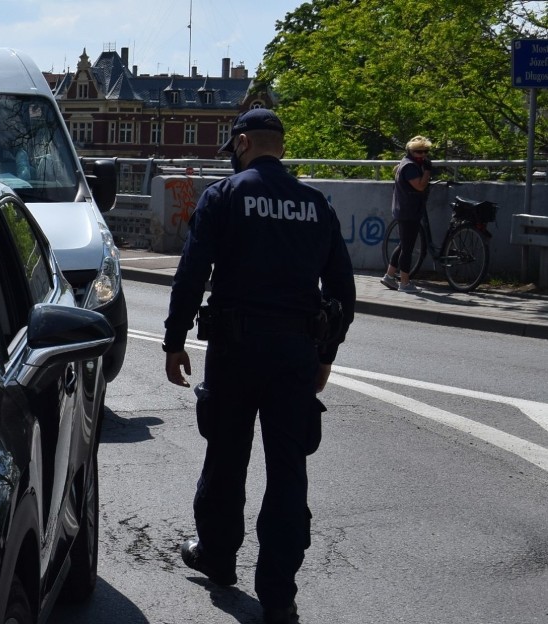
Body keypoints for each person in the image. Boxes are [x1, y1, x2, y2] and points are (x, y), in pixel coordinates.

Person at [163, 108, 355, 624]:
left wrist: (174, 340)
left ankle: (218, 557)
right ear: (283, 149)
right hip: (295, 355)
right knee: (288, 473)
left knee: (226, 458)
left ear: (242, 143)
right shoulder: (317, 205)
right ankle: (278, 594)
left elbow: (192, 272)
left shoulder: (223, 196)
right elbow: (343, 291)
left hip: (234, 350)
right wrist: (326, 355)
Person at [381, 136, 433, 293]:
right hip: (409, 211)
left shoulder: (406, 163)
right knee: (408, 248)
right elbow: (419, 186)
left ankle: (389, 276)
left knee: (403, 245)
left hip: (404, 209)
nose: (422, 155)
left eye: (425, 151)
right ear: (410, 150)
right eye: (419, 151)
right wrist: (428, 171)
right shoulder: (410, 167)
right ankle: (404, 283)